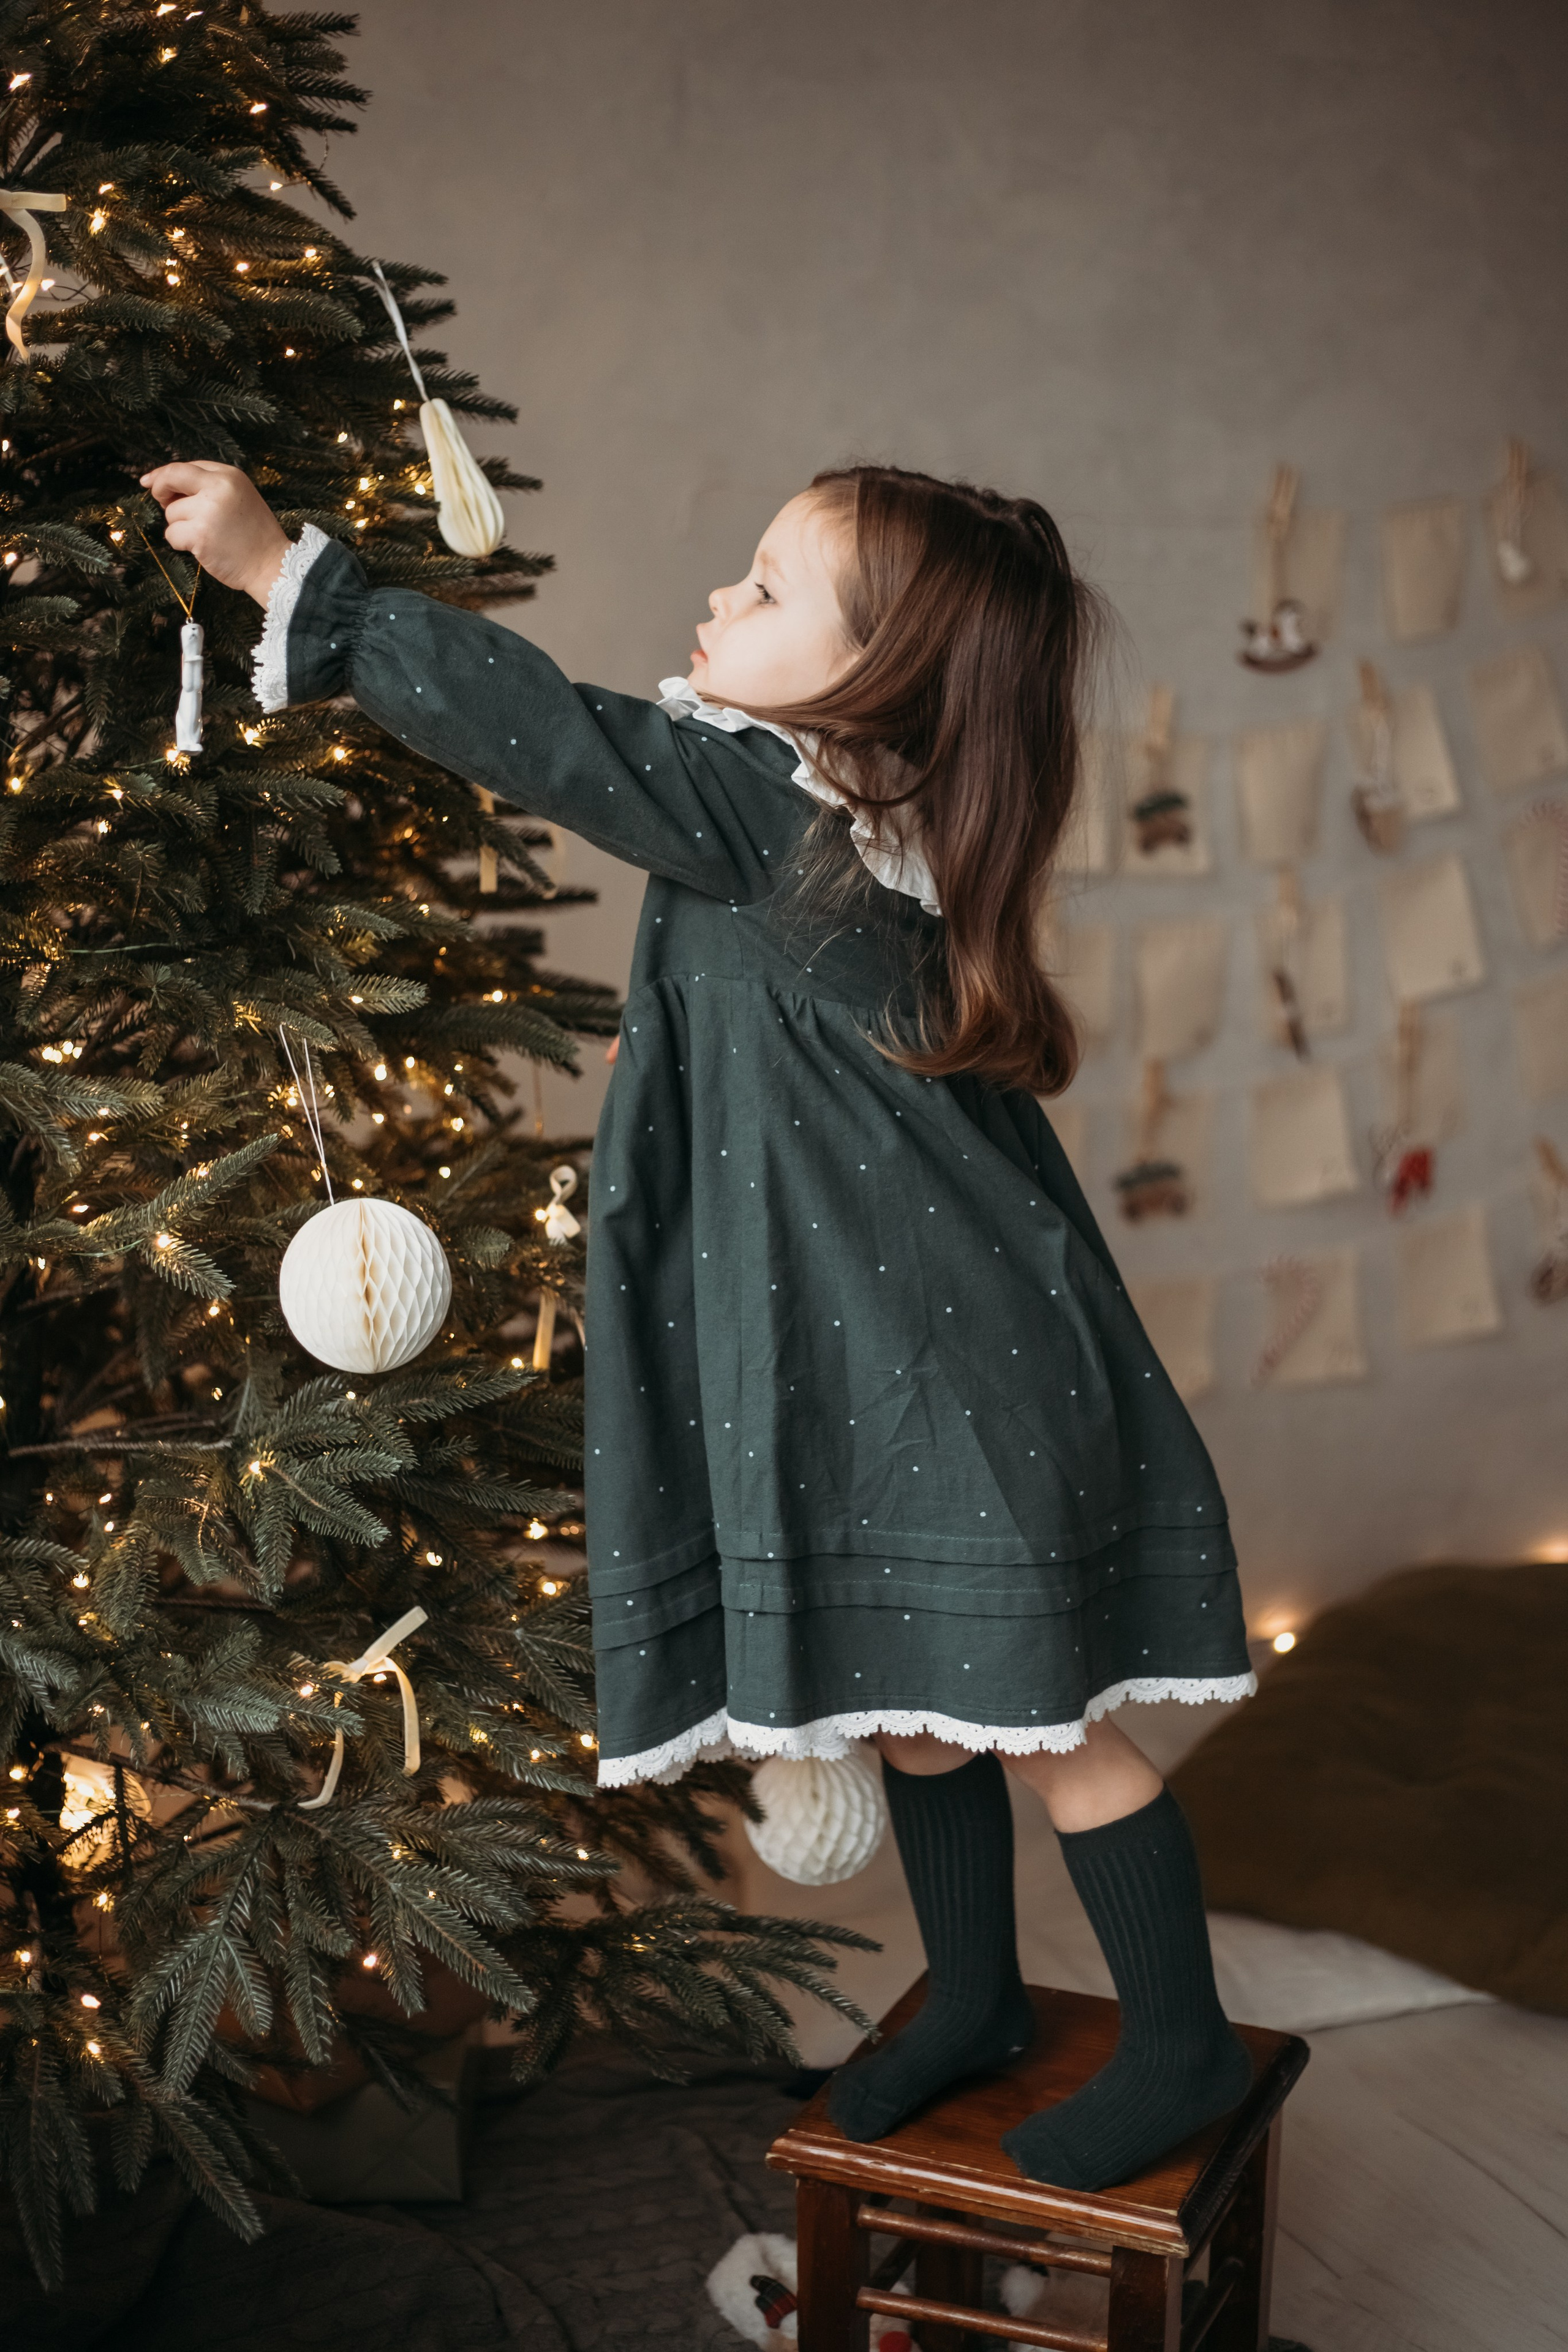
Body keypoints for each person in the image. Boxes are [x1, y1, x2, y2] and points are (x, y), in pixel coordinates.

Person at [140, 454, 1256, 2191]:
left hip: (949, 1370)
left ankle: (1179, 2042)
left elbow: (551, 732)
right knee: (919, 1706)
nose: (722, 605)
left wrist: (293, 574)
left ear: (879, 682)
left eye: (767, 588)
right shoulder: (839, 827)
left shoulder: (770, 810)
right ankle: (973, 1999)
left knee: (1051, 1722)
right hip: (898, 1344)